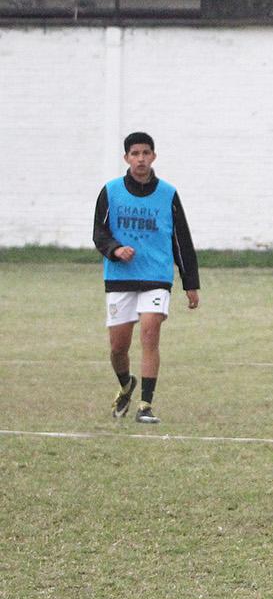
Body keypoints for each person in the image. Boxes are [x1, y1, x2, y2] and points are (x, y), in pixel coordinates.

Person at [91, 131, 201, 425]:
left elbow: (182, 240)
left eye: (146, 153)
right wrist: (115, 250)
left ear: (153, 156)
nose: (141, 158)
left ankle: (145, 406)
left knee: (150, 333)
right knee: (118, 347)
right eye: (135, 153)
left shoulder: (168, 194)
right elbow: (99, 234)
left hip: (156, 276)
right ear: (126, 158)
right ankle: (127, 384)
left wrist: (190, 283)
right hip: (120, 278)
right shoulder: (111, 191)